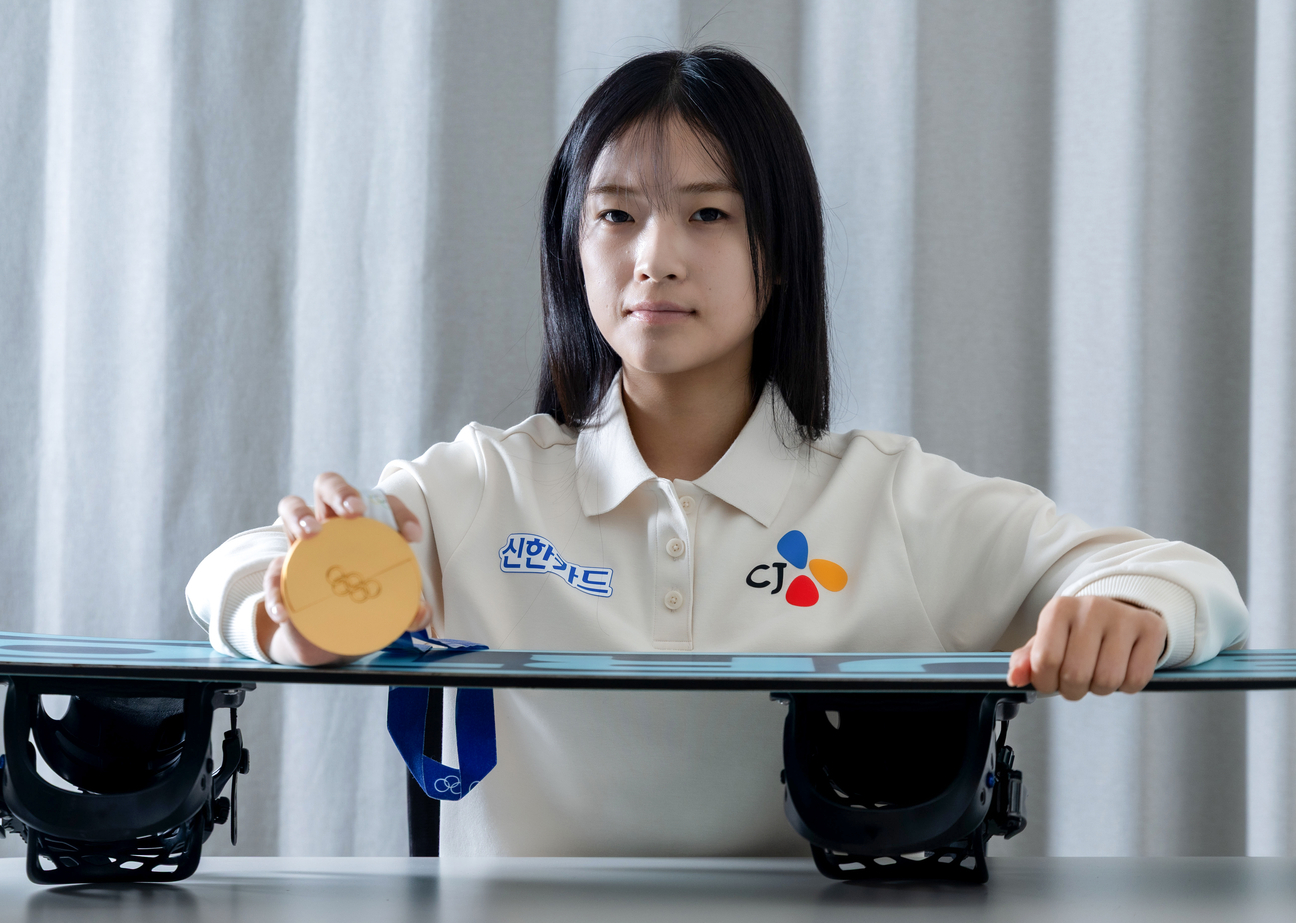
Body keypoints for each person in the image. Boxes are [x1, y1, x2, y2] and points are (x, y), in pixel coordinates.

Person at [186, 46, 1248, 856]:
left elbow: (1182, 576)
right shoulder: (480, 485)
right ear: (571, 247)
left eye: (706, 213)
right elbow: (223, 574)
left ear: (777, 256)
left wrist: (1133, 609)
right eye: (615, 215)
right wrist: (290, 602)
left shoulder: (887, 498)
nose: (655, 257)